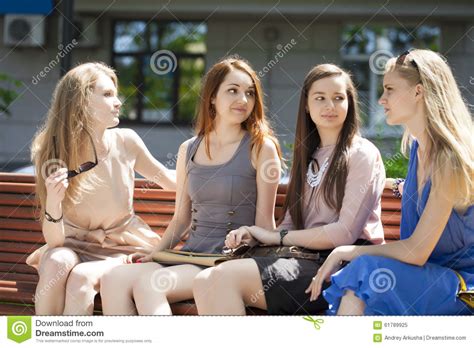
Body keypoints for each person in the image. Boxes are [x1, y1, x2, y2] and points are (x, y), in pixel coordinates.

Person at [194, 63, 386, 315]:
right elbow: (290, 224)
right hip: (303, 260)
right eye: (320, 98)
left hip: (341, 267)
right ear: (306, 105)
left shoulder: (362, 154)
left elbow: (345, 233)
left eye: (338, 98)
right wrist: (255, 235)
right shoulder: (308, 156)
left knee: (220, 280)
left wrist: (277, 237)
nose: (330, 106)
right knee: (204, 280)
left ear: (349, 104)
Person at [100, 56, 283, 315]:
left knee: (149, 286)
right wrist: (157, 252)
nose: (243, 100)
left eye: (249, 93)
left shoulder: (261, 147)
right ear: (212, 97)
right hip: (191, 254)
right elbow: (181, 219)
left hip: (229, 260)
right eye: (233, 91)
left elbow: (265, 224)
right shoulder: (189, 149)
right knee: (113, 279)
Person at [309, 49, 474, 315]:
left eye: (389, 89)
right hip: (425, 280)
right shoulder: (418, 152)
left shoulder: (449, 159)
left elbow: (417, 251)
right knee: (364, 287)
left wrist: (344, 251)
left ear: (419, 92)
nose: (382, 99)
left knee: (364, 272)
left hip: (463, 289)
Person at [27, 62, 176, 315]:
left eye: (115, 94)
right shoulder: (52, 150)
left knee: (80, 279)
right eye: (107, 95)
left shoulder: (126, 141)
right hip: (72, 243)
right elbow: (54, 241)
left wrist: (211, 167)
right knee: (55, 262)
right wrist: (53, 200)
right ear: (80, 102)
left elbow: (169, 180)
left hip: (123, 246)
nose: (119, 102)